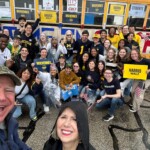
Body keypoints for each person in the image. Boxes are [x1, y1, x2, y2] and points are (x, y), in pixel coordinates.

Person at [0, 66, 31, 149]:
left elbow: (17, 142)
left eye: (8, 90)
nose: (2, 97)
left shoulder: (11, 121)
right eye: (25, 72)